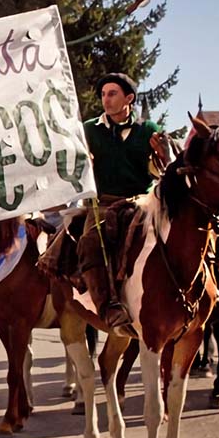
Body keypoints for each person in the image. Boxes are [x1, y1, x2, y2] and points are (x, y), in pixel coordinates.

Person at [77, 73, 161, 338]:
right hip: (103, 202)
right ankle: (108, 305)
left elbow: (159, 170)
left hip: (142, 202)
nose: (106, 99)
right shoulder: (88, 129)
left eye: (112, 93)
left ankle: (203, 294)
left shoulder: (148, 129)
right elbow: (71, 166)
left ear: (129, 98)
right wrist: (83, 162)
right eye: (103, 94)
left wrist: (159, 156)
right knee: (90, 242)